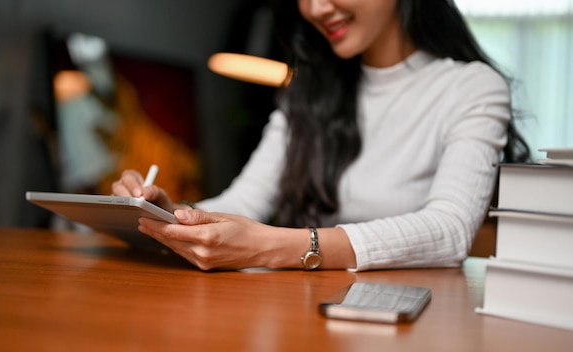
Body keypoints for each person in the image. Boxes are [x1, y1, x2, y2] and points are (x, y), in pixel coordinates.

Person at [112, 0, 530, 271]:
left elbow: (450, 230)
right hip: (311, 312)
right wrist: (173, 215)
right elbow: (243, 202)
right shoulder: (309, 91)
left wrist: (275, 246)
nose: (315, 7)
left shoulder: (471, 87)